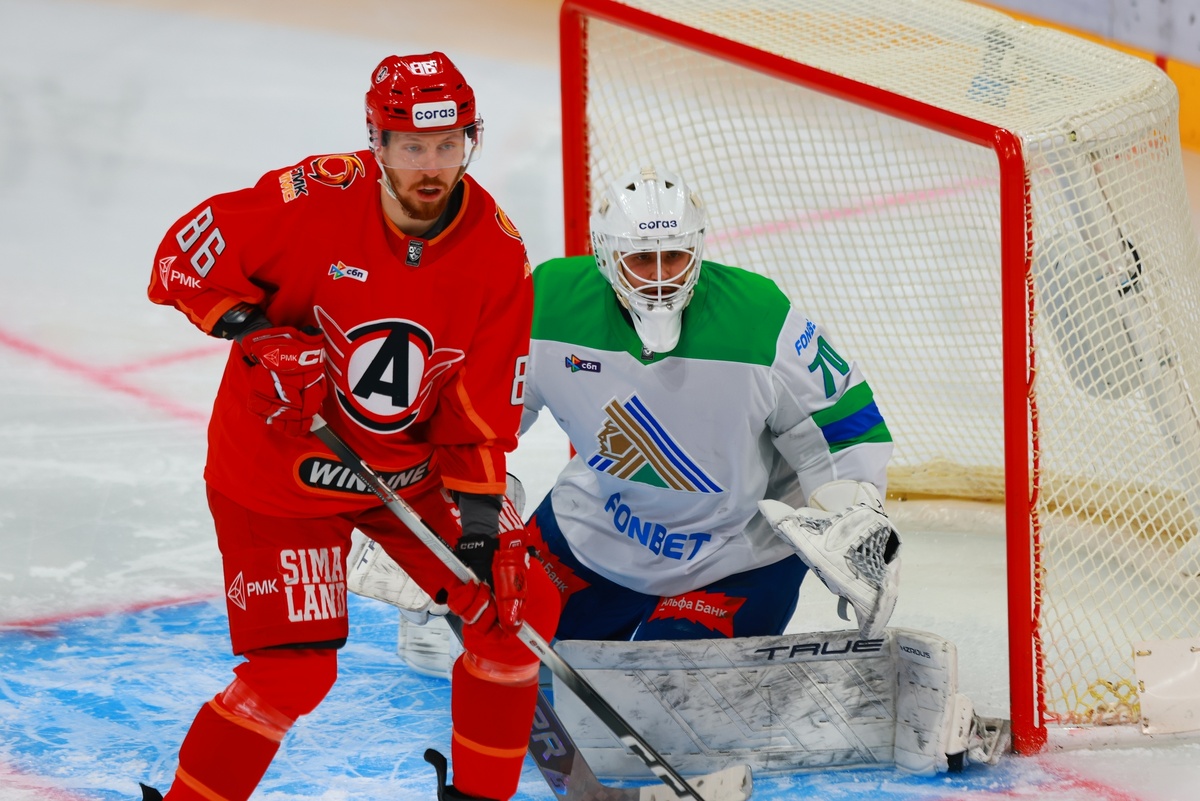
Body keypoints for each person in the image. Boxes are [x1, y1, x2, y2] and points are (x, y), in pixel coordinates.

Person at [143, 52, 559, 801]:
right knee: (293, 670)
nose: (431, 167)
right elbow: (182, 256)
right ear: (377, 140)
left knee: (515, 611)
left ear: (470, 140)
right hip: (280, 468)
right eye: (412, 146)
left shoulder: (497, 252)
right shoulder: (313, 196)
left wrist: (477, 529)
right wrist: (257, 334)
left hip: (410, 473)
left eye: (448, 144)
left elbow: (479, 406)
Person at [517, 164, 900, 643]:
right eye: (641, 258)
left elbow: (842, 423)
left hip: (737, 552)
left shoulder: (758, 317)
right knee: (502, 641)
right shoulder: (550, 304)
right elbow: (487, 412)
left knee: (672, 682)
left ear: (697, 250)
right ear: (605, 255)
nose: (660, 278)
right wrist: (458, 494)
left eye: (674, 256)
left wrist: (852, 517)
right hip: (597, 529)